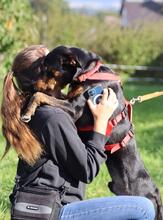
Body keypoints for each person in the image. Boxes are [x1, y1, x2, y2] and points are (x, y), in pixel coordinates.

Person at [1, 45, 155, 220]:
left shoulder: (34, 110)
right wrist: (102, 122)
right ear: (46, 73)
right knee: (144, 208)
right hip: (51, 212)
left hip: (43, 208)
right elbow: (87, 170)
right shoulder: (53, 117)